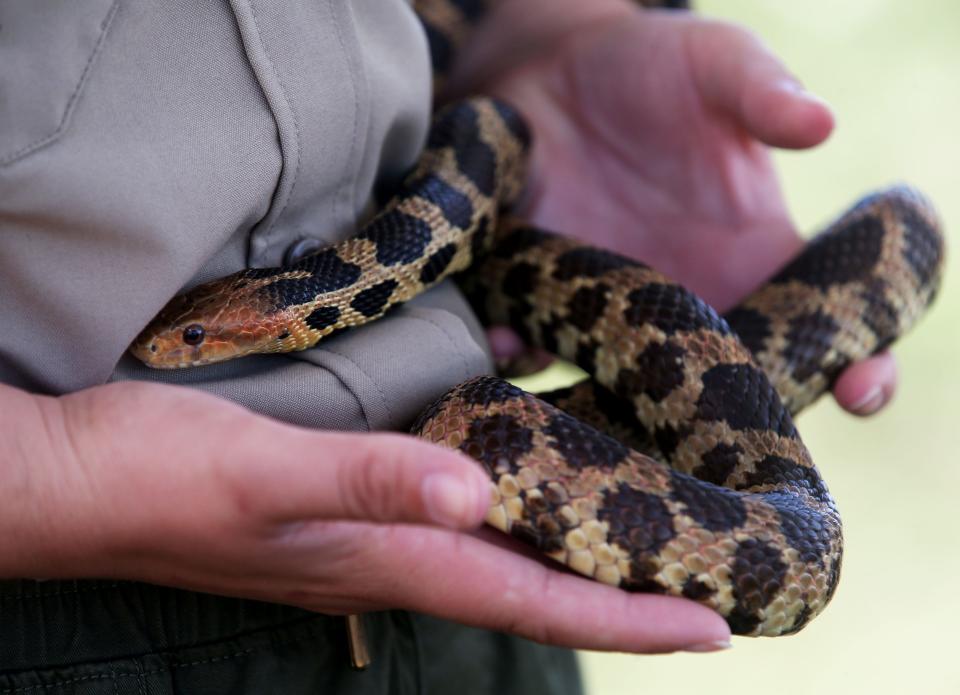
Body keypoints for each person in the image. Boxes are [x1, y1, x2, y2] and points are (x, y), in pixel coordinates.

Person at [0, 1, 895, 692]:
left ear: (277, 320)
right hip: (60, 616)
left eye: (193, 336)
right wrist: (54, 473)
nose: (175, 344)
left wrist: (554, 26)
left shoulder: (348, 281)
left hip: (472, 575)